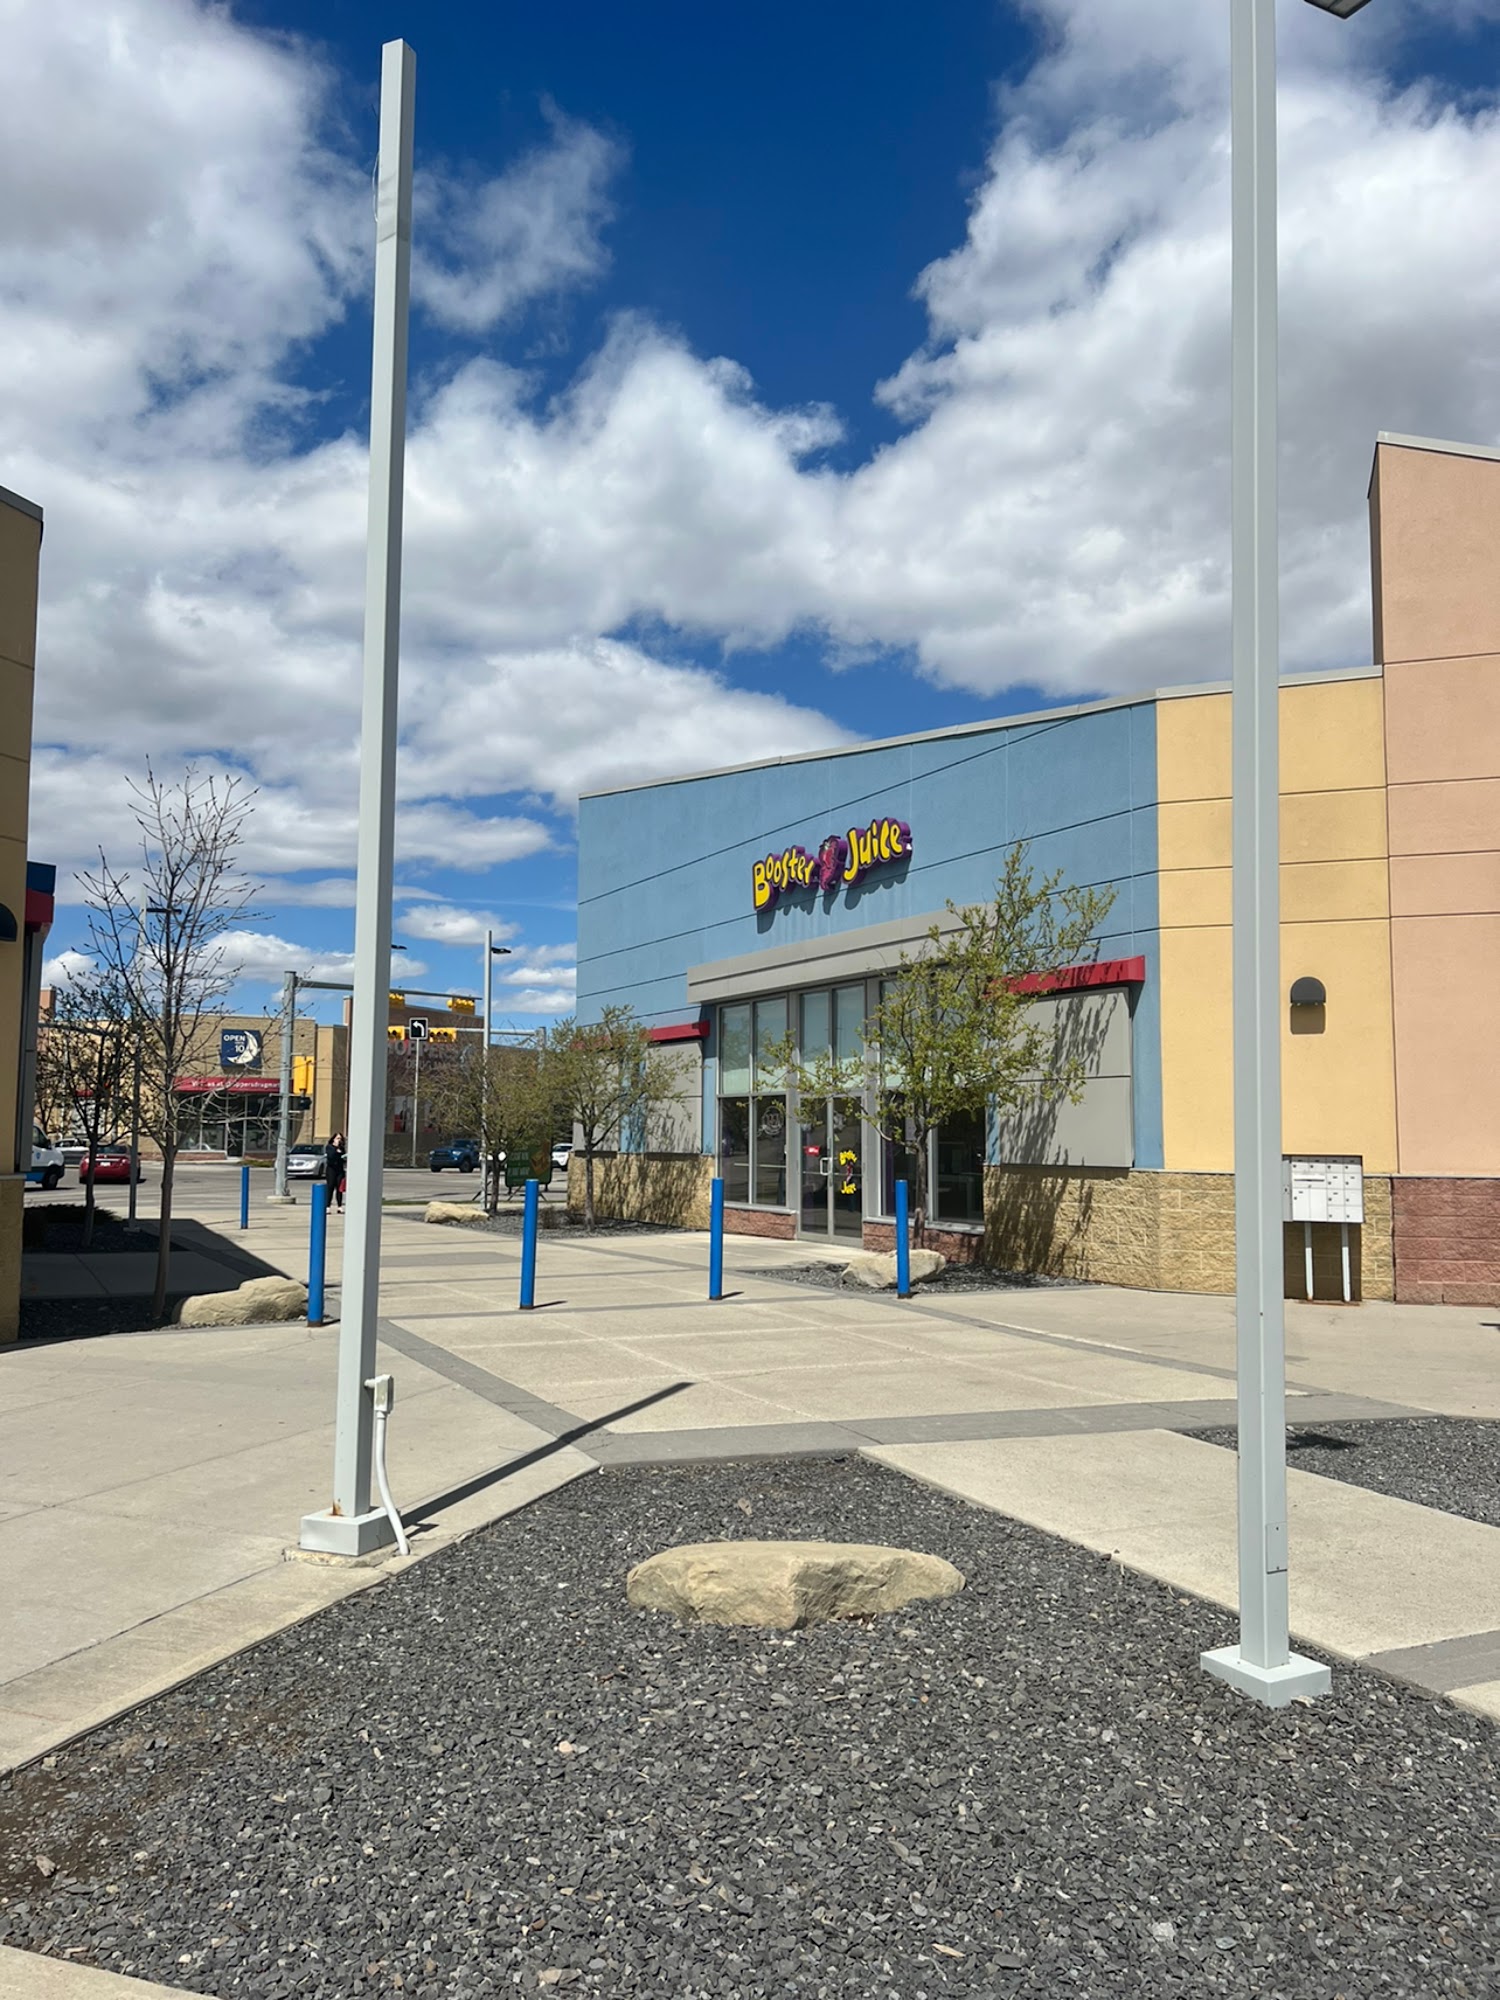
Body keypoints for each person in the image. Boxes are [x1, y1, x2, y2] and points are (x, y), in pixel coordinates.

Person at [325, 1131, 347, 1213]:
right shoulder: (330, 1147)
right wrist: (336, 1151)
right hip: (331, 1170)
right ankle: (327, 1206)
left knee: (339, 1188)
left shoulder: (342, 1149)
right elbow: (331, 1157)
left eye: (340, 1139)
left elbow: (343, 1159)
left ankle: (339, 1206)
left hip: (339, 1170)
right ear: (333, 1139)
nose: (339, 1140)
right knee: (330, 1187)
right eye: (337, 1138)